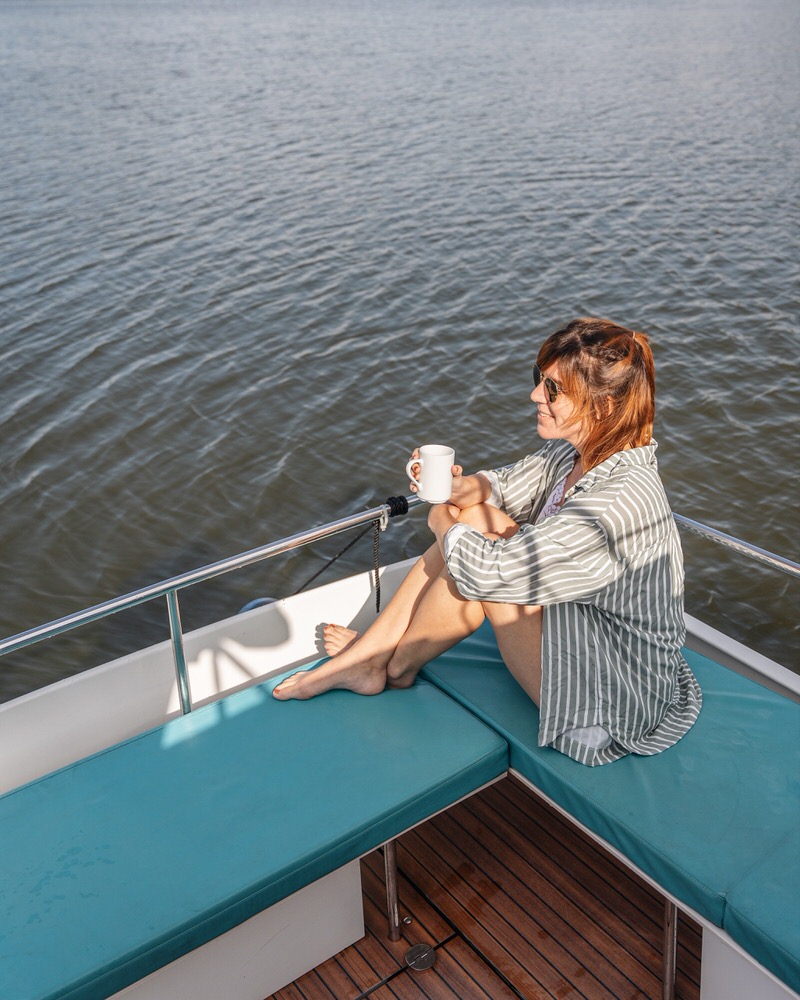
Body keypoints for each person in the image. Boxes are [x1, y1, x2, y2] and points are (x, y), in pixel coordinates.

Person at [273, 317, 702, 766]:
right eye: (540, 379)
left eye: (553, 389)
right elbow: (499, 488)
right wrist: (446, 488)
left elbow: (489, 574)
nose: (536, 395)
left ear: (605, 405)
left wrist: (440, 518)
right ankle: (371, 659)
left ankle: (387, 666)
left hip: (609, 704)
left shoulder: (618, 501)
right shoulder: (573, 453)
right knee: (476, 517)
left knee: (474, 542)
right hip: (581, 638)